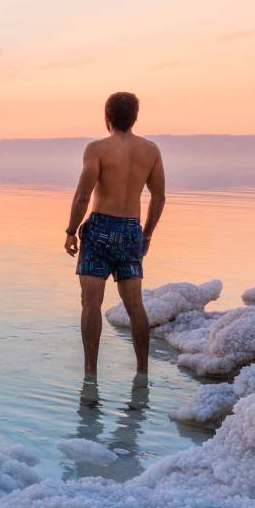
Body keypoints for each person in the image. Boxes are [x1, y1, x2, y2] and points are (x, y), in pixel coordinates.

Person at [64, 92, 166, 377]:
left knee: (91, 302)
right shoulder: (150, 150)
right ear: (134, 118)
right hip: (131, 229)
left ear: (106, 117)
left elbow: (83, 196)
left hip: (100, 229)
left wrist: (71, 231)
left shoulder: (96, 149)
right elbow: (159, 198)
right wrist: (146, 234)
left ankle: (90, 373)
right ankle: (143, 372)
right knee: (135, 305)